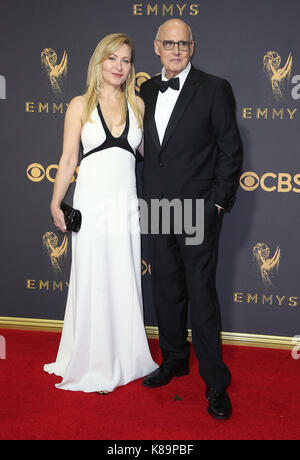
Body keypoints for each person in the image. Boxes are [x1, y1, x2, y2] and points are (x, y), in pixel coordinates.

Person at [140, 19, 243, 419]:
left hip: (198, 208)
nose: (176, 50)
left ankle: (216, 382)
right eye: (169, 43)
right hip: (156, 208)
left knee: (201, 295)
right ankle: (174, 360)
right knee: (166, 289)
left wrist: (217, 203)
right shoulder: (144, 90)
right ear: (157, 47)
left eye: (183, 43)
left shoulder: (215, 89)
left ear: (193, 48)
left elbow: (229, 149)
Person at [44, 33, 158, 393]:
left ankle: (124, 356)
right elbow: (67, 159)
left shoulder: (138, 104)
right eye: (112, 59)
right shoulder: (79, 104)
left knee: (122, 274)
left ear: (131, 66)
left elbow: (151, 157)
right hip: (91, 203)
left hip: (123, 205)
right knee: (93, 275)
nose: (118, 67)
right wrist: (55, 201)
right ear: (99, 62)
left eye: (125, 61)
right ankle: (92, 360)